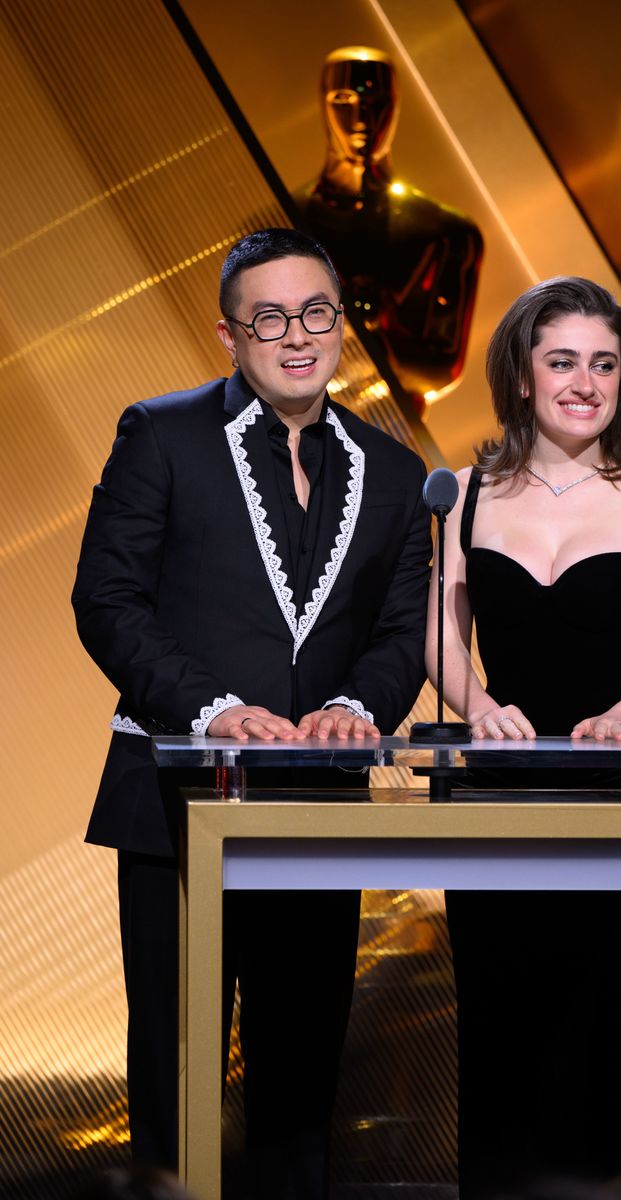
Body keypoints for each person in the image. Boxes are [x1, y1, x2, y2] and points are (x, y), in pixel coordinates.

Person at [72, 228, 431, 1198]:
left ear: (340, 322)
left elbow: (402, 631)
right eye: (268, 317)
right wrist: (214, 707)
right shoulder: (161, 433)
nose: (296, 335)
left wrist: (359, 704)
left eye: (315, 311)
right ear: (228, 332)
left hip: (315, 812)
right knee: (176, 1086)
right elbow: (106, 602)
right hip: (173, 800)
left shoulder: (395, 477)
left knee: (300, 1093)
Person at [428, 277, 621, 1195]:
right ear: (520, 375)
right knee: (500, 1025)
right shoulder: (463, 494)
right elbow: (440, 636)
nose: (583, 382)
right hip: (493, 796)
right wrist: (476, 705)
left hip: (611, 798)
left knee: (603, 1031)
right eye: (561, 362)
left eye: (603, 363)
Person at [294, 46, 483, 409]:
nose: (361, 116)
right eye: (344, 99)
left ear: (394, 106)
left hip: (388, 428)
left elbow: (441, 367)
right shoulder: (283, 222)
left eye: (376, 101)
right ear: (324, 104)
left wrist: (381, 334)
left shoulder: (444, 232)